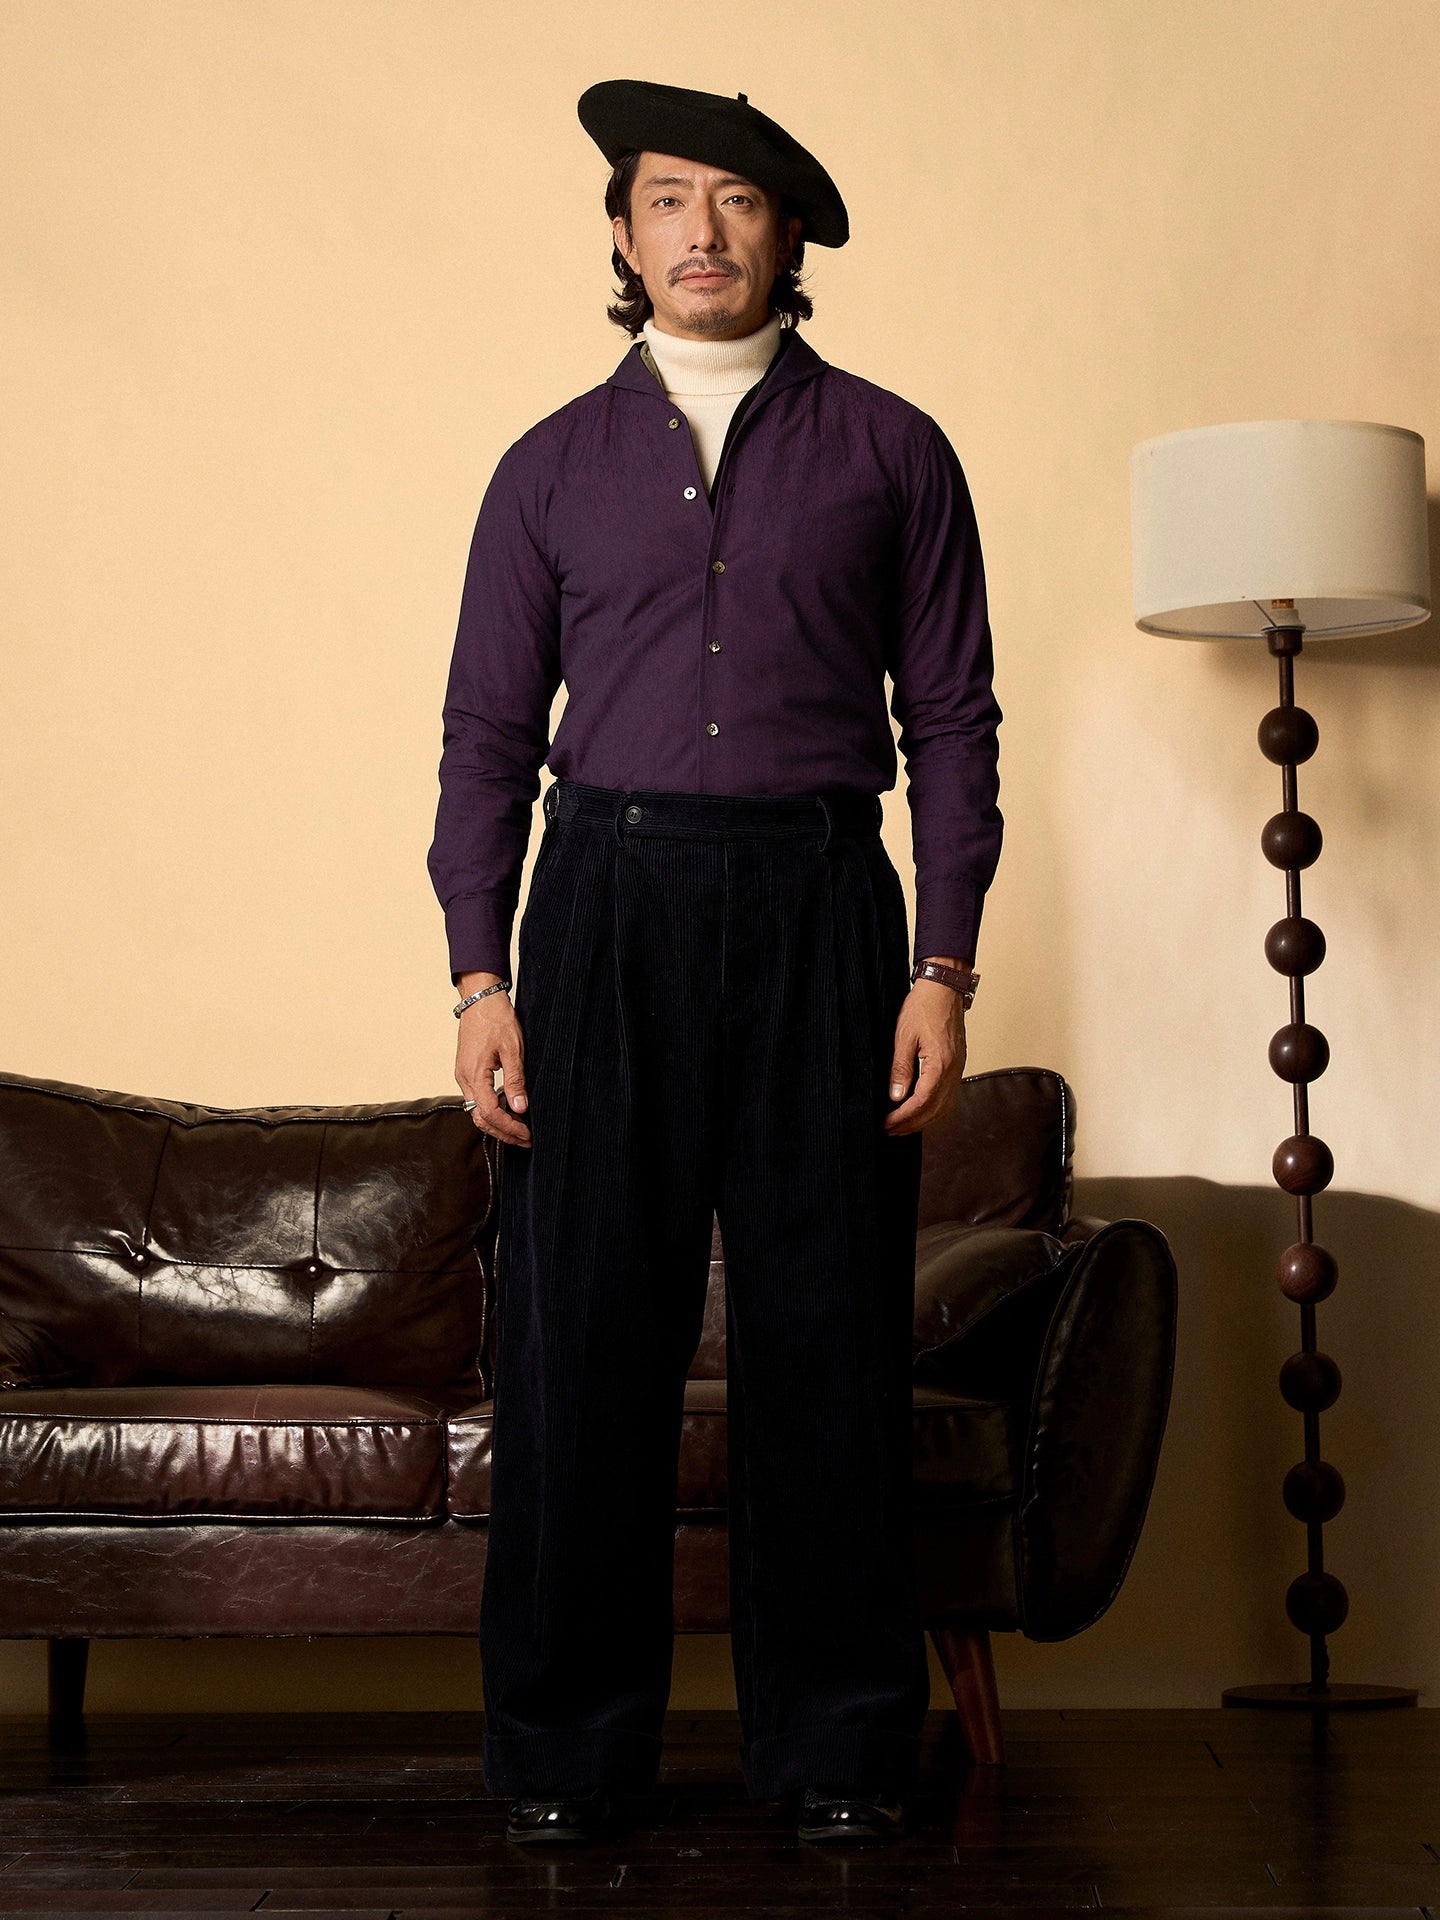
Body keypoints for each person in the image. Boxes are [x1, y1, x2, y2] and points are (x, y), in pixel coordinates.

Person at [426, 77, 1003, 1848]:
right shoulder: (547, 466)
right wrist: (479, 976)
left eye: (737, 199)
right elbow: (484, 736)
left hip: (825, 906)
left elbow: (953, 722)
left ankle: (839, 1750)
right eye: (668, 198)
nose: (702, 230)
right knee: (586, 1336)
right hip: (603, 906)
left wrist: (943, 964)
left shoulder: (895, 451)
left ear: (788, 232)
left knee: (828, 1339)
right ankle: (564, 1752)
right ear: (622, 233)